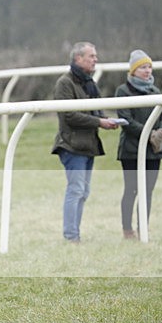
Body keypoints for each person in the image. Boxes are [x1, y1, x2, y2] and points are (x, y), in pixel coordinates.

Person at [51, 41, 119, 243]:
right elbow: (69, 116)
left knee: (83, 191)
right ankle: (71, 236)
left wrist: (106, 119)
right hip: (71, 145)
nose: (95, 59)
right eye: (91, 56)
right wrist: (99, 121)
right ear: (78, 58)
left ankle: (74, 234)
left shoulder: (89, 82)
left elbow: (95, 109)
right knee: (76, 190)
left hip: (88, 145)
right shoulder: (65, 83)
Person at [114, 50, 162, 240]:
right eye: (143, 67)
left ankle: (143, 229)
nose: (148, 71)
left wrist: (160, 133)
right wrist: (149, 133)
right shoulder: (123, 91)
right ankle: (127, 230)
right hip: (131, 150)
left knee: (148, 191)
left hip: (154, 150)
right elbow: (126, 119)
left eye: (149, 67)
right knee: (132, 190)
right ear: (134, 70)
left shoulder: (155, 91)